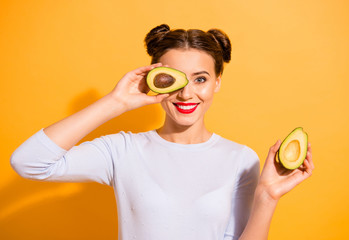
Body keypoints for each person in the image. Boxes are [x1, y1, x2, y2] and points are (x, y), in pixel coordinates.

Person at [10, 24, 314, 240]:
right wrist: (116, 101)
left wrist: (267, 196)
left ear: (217, 82)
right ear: (155, 79)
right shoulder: (122, 151)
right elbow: (28, 163)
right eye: (175, 80)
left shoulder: (241, 158)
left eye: (200, 79)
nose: (186, 94)